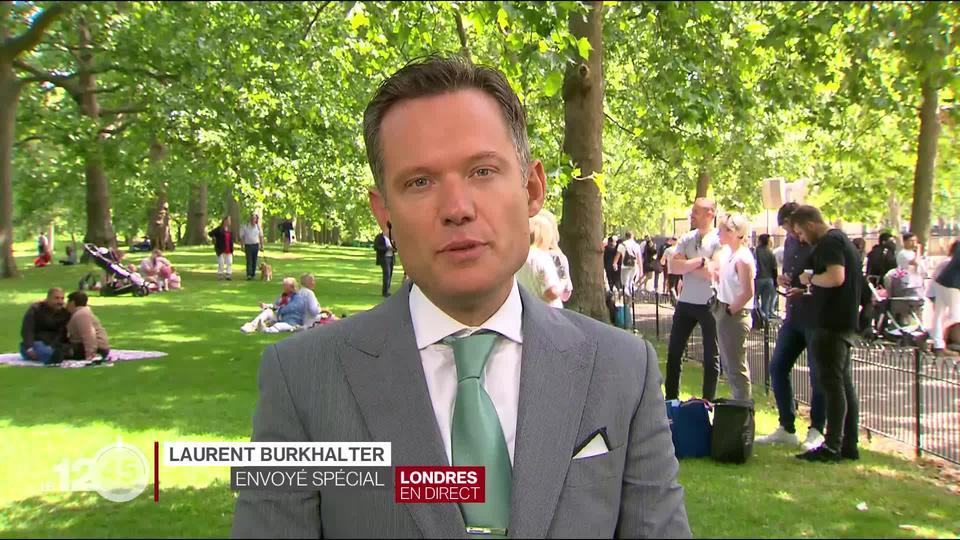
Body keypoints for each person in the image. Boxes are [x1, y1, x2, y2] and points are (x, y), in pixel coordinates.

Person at [232, 55, 690, 539]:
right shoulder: (300, 379)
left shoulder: (622, 369)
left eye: (483, 171)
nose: (457, 209)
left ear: (532, 187)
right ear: (383, 211)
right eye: (420, 182)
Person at [793, 205, 862, 462]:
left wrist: (810, 279)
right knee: (843, 384)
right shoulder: (842, 241)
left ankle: (833, 445)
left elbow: (835, 277)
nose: (800, 238)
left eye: (800, 232)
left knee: (832, 385)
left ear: (810, 224)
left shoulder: (829, 244)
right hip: (842, 321)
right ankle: (847, 444)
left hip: (831, 325)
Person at [756, 202, 827, 451]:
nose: (790, 234)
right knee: (777, 366)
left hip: (815, 316)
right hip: (794, 314)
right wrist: (783, 278)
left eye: (789, 228)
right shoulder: (789, 242)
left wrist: (806, 285)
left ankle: (817, 428)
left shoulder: (819, 241)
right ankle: (787, 425)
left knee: (818, 374)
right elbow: (788, 270)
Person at [664, 198, 722, 402]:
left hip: (709, 304)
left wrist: (687, 264)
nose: (692, 214)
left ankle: (709, 401)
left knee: (711, 356)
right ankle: (671, 399)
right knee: (674, 353)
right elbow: (673, 267)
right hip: (686, 303)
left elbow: (712, 272)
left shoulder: (718, 240)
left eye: (696, 211)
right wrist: (699, 261)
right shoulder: (687, 238)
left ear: (710, 214)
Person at [711, 214, 756, 401]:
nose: (718, 233)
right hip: (722, 308)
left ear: (735, 232)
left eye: (722, 230)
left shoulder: (743, 259)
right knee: (729, 364)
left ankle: (743, 409)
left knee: (736, 366)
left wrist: (730, 311)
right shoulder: (728, 254)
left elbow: (748, 291)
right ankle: (738, 404)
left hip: (735, 314)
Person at [516, 213, 564, 307]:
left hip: (528, 309)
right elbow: (551, 292)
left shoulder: (519, 256)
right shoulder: (542, 257)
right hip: (549, 312)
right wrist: (562, 284)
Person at [19, 288, 70, 364]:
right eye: (56, 298)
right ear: (48, 299)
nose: (60, 301)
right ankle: (53, 356)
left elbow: (62, 333)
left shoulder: (64, 312)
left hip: (54, 344)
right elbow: (27, 330)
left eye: (62, 298)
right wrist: (29, 348)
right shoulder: (35, 309)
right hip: (34, 343)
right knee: (41, 348)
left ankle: (55, 354)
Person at [240, 277, 306, 334]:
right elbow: (276, 305)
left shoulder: (298, 297)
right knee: (268, 311)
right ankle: (251, 326)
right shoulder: (283, 296)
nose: (283, 287)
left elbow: (289, 308)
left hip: (291, 322)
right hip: (280, 318)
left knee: (278, 325)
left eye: (285, 285)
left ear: (291, 287)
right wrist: (267, 306)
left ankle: (265, 329)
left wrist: (278, 308)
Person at [929, 241, 960, 355]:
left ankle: (938, 345)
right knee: (955, 316)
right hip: (952, 283)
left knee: (939, 314)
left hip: (944, 281)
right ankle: (933, 338)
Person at [538, 210, 573, 304]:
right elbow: (566, 293)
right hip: (551, 309)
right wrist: (563, 282)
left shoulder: (522, 256)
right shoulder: (556, 257)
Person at [64, 291, 110, 360]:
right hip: (93, 347)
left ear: (72, 303)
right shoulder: (81, 312)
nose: (66, 305)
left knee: (62, 351)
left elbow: (89, 337)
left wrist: (90, 356)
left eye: (68, 302)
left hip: (98, 349)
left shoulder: (81, 315)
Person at [754, 233, 778, 322]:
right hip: (769, 279)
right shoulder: (771, 252)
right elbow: (774, 268)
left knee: (754, 300)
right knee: (766, 302)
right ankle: (765, 322)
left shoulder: (756, 251)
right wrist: (775, 281)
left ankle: (757, 320)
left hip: (758, 278)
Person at [208, 216, 235, 281]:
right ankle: (220, 274)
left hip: (229, 249)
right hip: (221, 249)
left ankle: (228, 274)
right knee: (221, 262)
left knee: (229, 262)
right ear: (225, 221)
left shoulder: (229, 230)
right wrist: (214, 238)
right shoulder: (219, 229)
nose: (229, 222)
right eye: (228, 220)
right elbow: (210, 233)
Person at [240, 214, 265, 281]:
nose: (253, 220)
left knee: (254, 260)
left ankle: (253, 274)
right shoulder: (245, 227)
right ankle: (249, 274)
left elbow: (261, 236)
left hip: (255, 245)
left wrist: (262, 246)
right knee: (249, 260)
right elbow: (242, 237)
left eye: (254, 219)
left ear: (256, 220)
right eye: (252, 218)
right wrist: (242, 246)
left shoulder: (258, 227)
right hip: (248, 245)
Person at [373, 230, 395, 297]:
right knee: (387, 274)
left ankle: (387, 290)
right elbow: (376, 247)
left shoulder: (392, 237)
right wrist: (387, 248)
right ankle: (385, 292)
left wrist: (394, 248)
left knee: (390, 275)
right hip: (384, 258)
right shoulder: (379, 237)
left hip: (391, 258)